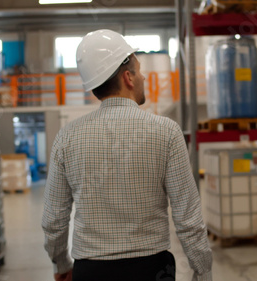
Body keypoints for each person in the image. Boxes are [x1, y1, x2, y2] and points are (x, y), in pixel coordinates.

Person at [42, 29, 213, 281]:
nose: (144, 77)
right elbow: (187, 217)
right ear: (128, 77)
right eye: (140, 70)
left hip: (91, 270)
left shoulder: (67, 137)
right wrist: (202, 269)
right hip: (152, 268)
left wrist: (61, 263)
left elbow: (53, 220)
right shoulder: (166, 132)